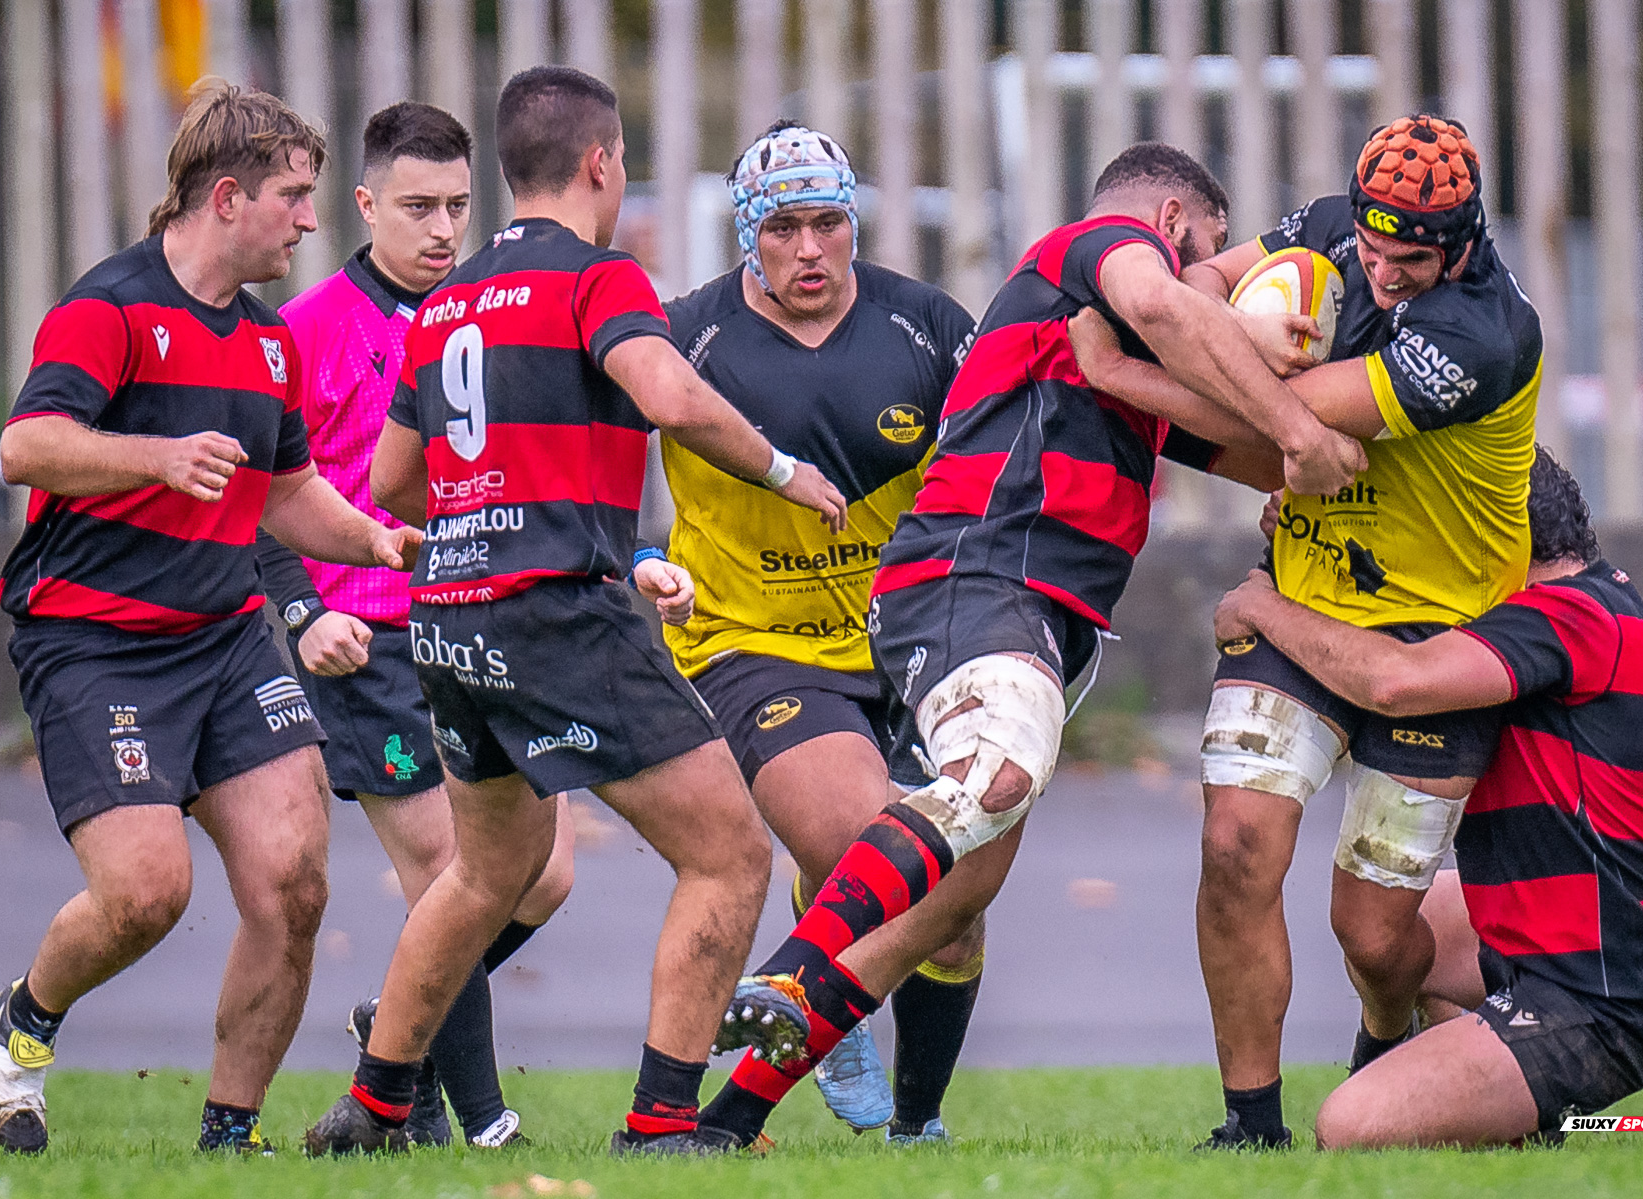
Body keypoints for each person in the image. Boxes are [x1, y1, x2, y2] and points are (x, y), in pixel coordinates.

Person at [690, 142, 1364, 1151]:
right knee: (997, 770)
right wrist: (1289, 419)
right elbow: (1182, 320)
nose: (1214, 280)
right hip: (976, 575)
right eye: (1209, 252)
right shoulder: (1091, 249)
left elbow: (1265, 455)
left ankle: (731, 1118)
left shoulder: (1120, 354)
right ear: (1169, 223)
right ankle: (792, 967)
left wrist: (1207, 396)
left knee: (950, 898)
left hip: (1031, 612)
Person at [301, 65, 847, 1157]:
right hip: (555, 615)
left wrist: (488, 509)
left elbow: (394, 476)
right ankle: (661, 1121)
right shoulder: (600, 279)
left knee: (484, 873)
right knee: (729, 851)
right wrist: (786, 469)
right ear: (602, 163)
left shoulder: (443, 303)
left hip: (446, 616)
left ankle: (372, 1106)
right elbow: (668, 393)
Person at [0, 80, 420, 1155]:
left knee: (295, 880)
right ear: (227, 198)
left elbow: (285, 491)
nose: (310, 221)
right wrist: (157, 458)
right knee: (145, 893)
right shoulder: (111, 309)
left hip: (223, 639)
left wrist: (374, 539)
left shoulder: (269, 342)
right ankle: (25, 1020)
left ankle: (230, 1137)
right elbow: (26, 445)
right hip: (93, 641)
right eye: (294, 196)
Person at [1160, 115, 1545, 1148]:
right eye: (1369, 248)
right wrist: (1217, 318)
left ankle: (1388, 1026)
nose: (1379, 271)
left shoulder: (1479, 333)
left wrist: (1175, 356)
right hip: (1301, 601)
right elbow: (1198, 283)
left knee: (1373, 935)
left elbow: (1288, 415)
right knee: (1235, 844)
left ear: (1461, 244)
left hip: (1434, 639)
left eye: (1407, 260)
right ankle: (1250, 1127)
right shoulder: (1337, 227)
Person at [1214, 449, 1643, 1148]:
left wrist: (1267, 605)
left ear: (1490, 536)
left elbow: (1394, 682)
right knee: (1384, 927)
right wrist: (1320, 536)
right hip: (1582, 940)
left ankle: (1551, 1112)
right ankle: (1490, 1102)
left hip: (1607, 996)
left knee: (1349, 1126)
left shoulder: (1565, 616)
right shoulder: (1593, 602)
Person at [255, 101, 573, 1149]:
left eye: (457, 206)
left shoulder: (484, 313)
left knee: (544, 872)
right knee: (450, 871)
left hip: (474, 625)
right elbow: (257, 499)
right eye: (418, 207)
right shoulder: (304, 331)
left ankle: (397, 1024)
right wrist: (303, 612)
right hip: (364, 638)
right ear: (365, 204)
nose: (442, 229)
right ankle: (484, 1125)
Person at [656, 120, 981, 1141]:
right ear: (746, 234)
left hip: (906, 643)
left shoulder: (927, 326)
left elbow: (1007, 456)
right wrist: (632, 560)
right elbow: (576, 454)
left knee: (955, 909)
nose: (810, 249)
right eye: (783, 228)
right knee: (872, 850)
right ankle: (826, 981)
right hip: (757, 644)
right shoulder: (683, 337)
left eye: (828, 224)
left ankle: (916, 1127)